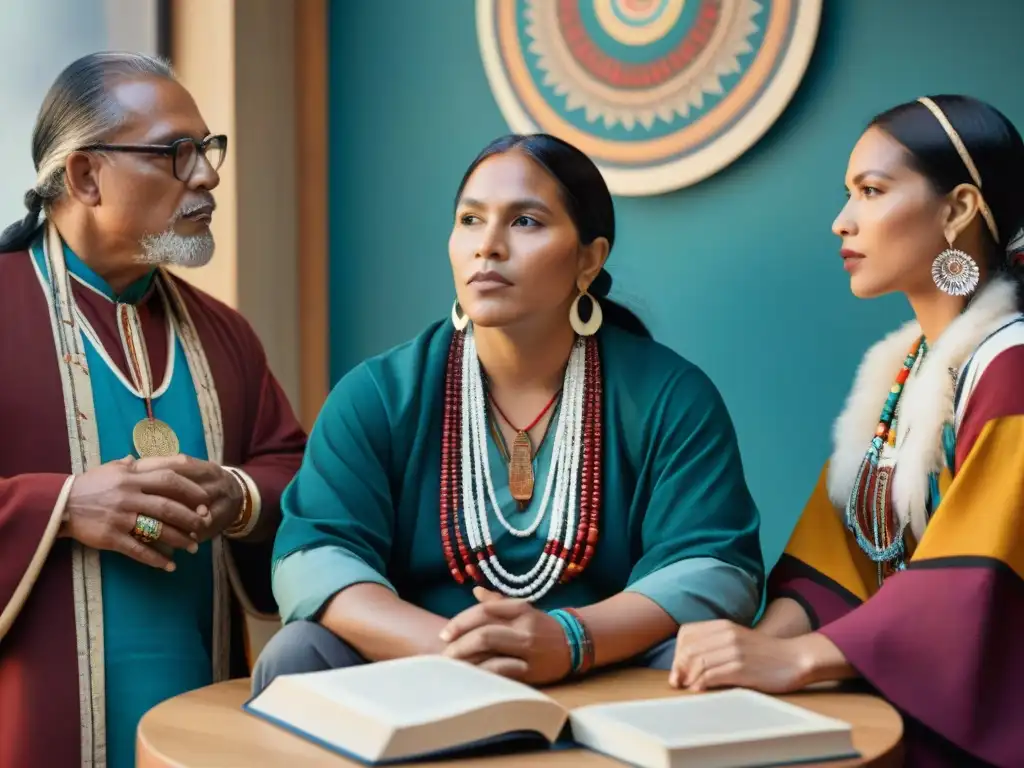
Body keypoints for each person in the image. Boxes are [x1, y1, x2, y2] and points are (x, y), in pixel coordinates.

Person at [252, 133, 763, 693]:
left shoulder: (670, 396)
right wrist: (455, 654)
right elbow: (314, 556)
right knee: (298, 655)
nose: (488, 245)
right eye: (471, 220)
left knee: (696, 666)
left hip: (606, 671)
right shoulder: (377, 394)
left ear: (589, 259)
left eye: (525, 222)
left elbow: (715, 570)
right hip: (415, 673)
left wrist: (568, 641)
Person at [670, 95, 1024, 767]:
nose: (842, 221)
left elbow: (976, 584)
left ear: (958, 209)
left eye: (871, 191)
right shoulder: (903, 369)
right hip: (892, 700)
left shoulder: (1011, 371)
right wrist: (750, 657)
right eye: (848, 194)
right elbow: (838, 554)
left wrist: (795, 660)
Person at [0, 52, 307, 768]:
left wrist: (236, 493)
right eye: (176, 152)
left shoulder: (224, 334)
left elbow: (295, 474)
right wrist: (64, 507)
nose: (207, 174)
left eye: (207, 149)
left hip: (198, 730)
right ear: (84, 176)